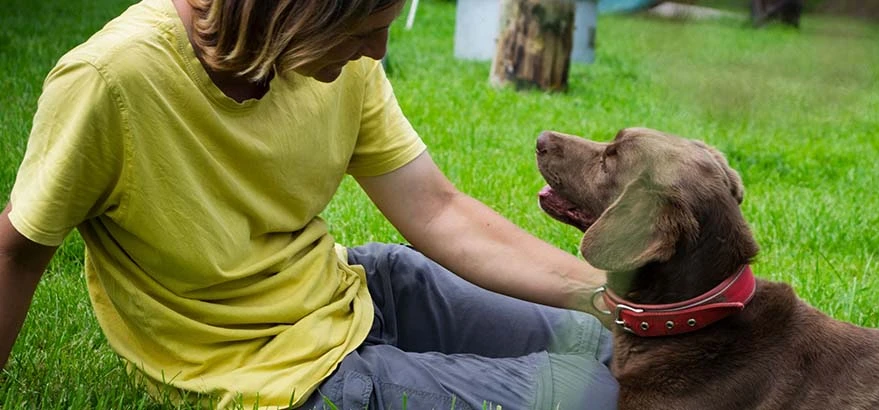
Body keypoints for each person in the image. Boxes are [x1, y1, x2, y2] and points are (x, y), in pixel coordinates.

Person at [0, 0, 618, 408]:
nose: (378, 50)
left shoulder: (341, 62)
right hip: (273, 377)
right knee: (601, 397)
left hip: (356, 289)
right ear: (297, 11)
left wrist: (617, 294)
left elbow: (438, 210)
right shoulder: (112, 82)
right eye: (364, 29)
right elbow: (17, 253)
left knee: (619, 347)